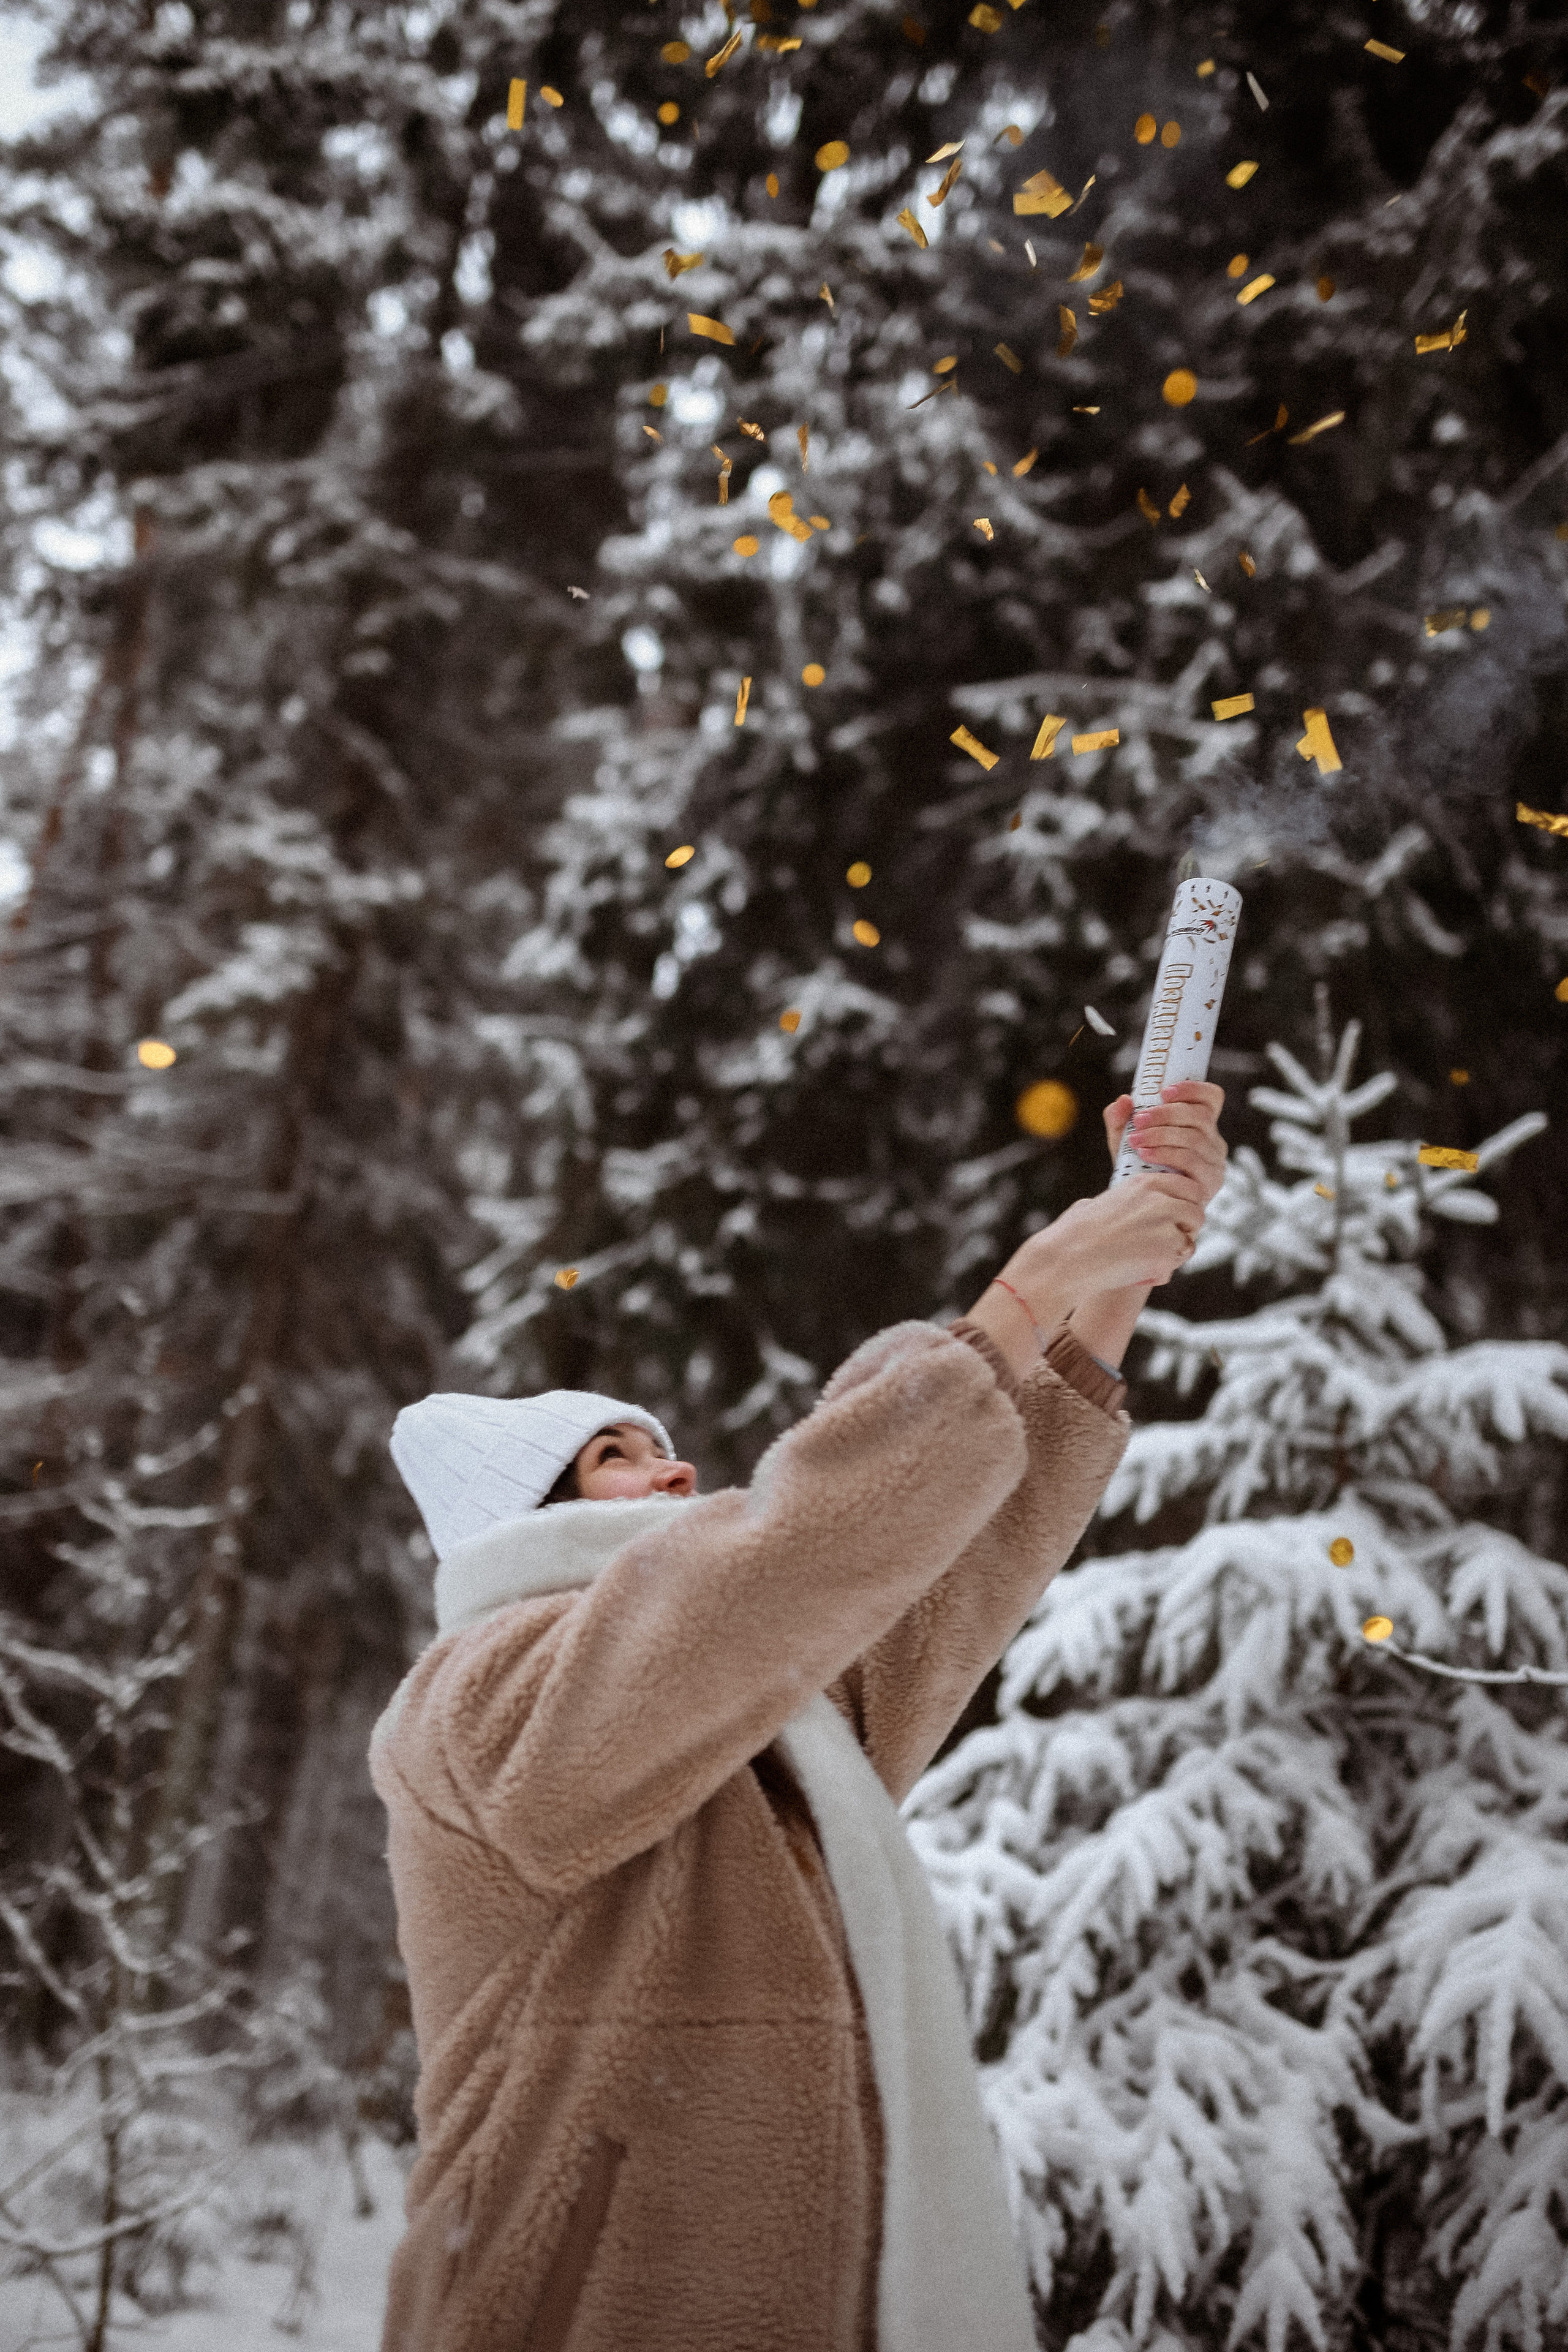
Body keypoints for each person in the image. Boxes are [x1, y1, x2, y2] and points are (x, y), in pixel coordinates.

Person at [369, 1084, 1227, 2352]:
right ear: (526, 1516)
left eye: (662, 1450)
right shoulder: (474, 1695)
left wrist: (1109, 1285)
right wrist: (1027, 1286)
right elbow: (768, 1565)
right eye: (616, 1455)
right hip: (574, 2304)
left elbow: (927, 1575)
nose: (674, 1470)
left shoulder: (753, 1718)